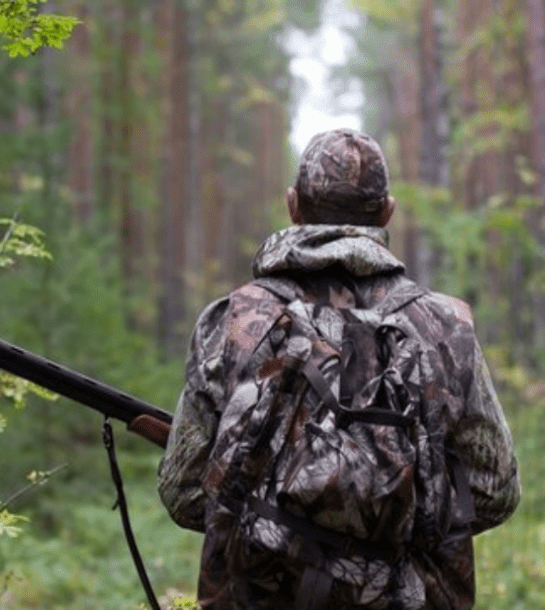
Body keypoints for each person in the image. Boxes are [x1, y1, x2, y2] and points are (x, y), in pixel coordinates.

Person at [157, 128, 520, 609]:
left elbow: (184, 492)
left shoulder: (235, 322)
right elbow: (495, 490)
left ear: (293, 206)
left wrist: (278, 531)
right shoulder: (444, 326)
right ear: (387, 211)